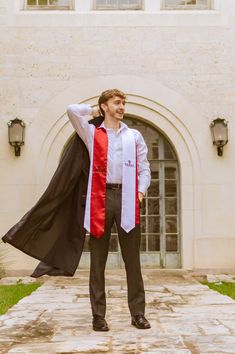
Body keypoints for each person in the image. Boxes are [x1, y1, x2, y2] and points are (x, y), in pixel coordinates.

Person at [67, 89, 151, 332]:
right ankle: (98, 316)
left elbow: (144, 168)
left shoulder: (134, 136)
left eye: (123, 103)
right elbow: (72, 111)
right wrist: (95, 110)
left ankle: (138, 314)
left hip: (127, 197)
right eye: (116, 103)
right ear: (105, 106)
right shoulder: (92, 133)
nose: (122, 107)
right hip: (100, 199)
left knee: (133, 261)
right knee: (98, 262)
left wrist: (141, 192)